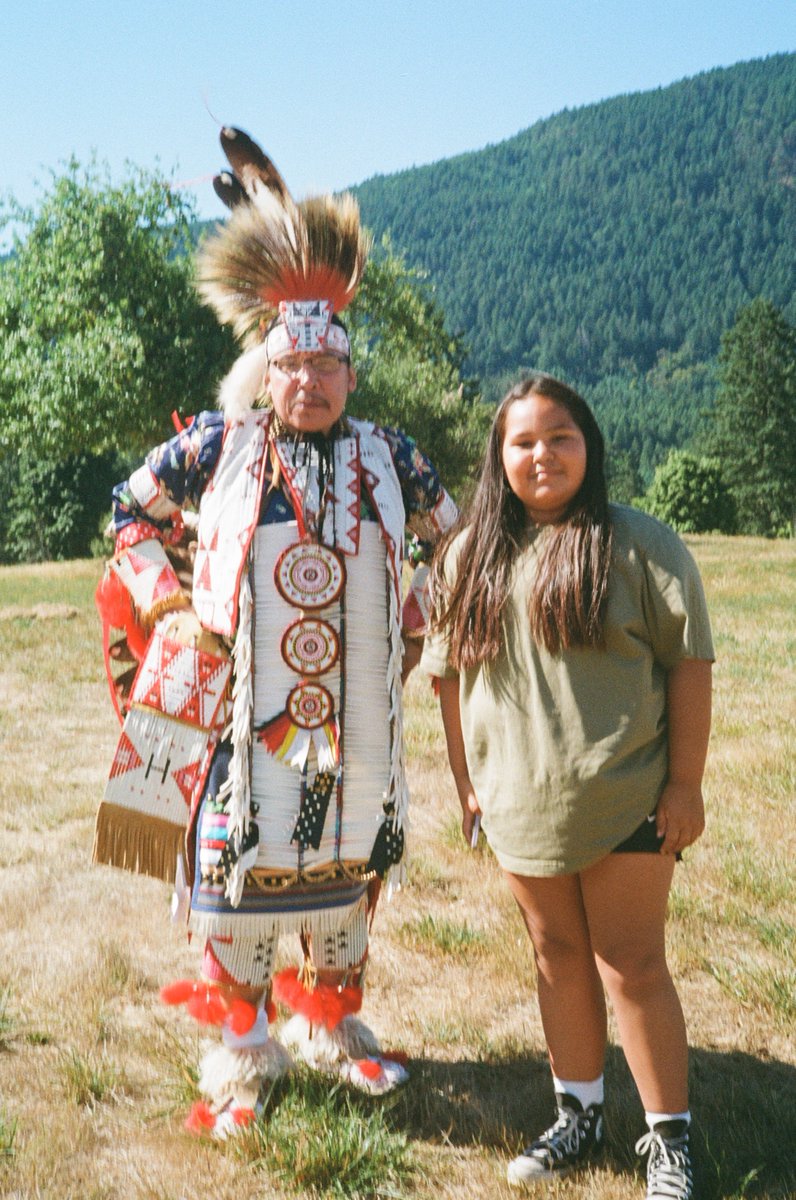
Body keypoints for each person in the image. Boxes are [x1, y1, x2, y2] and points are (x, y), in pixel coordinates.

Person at [94, 127, 457, 1137]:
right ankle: (242, 1055)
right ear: (268, 369)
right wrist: (166, 600)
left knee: (347, 870)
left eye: (326, 367)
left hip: (357, 714)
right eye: (291, 367)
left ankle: (331, 1025)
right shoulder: (219, 447)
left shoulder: (393, 457)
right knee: (235, 862)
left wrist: (423, 600)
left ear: (350, 372)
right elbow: (129, 515)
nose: (309, 384)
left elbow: (454, 539)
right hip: (241, 709)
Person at [422, 373, 713, 1199]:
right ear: (498, 456)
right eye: (524, 442)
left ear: (590, 447)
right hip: (520, 805)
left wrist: (684, 784)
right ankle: (578, 1113)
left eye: (561, 438)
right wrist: (466, 782)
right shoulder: (467, 554)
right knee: (554, 957)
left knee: (632, 963)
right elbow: (448, 679)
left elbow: (690, 666)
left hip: (626, 798)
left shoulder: (641, 545)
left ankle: (669, 1143)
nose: (542, 455)